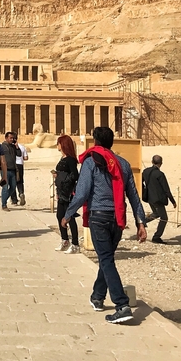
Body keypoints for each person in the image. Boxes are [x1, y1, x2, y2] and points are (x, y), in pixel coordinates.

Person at [62, 126, 147, 324]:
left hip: (99, 217)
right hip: (117, 220)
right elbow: (134, 196)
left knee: (106, 259)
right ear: (111, 142)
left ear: (96, 142)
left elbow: (82, 192)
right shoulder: (124, 164)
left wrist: (67, 215)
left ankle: (121, 305)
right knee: (106, 257)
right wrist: (140, 222)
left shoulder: (91, 162)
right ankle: (97, 297)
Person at [52, 134, 81, 253]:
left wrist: (63, 179)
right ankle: (64, 239)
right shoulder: (62, 158)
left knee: (70, 217)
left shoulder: (70, 159)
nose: (57, 145)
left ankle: (75, 244)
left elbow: (75, 175)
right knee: (59, 215)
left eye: (59, 143)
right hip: (61, 191)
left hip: (68, 192)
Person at [142, 155, 176, 244]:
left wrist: (143, 190)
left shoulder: (145, 171)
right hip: (157, 200)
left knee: (156, 213)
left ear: (152, 161)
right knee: (164, 218)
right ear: (161, 163)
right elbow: (166, 189)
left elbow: (139, 181)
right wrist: (173, 201)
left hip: (149, 198)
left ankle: (142, 221)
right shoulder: (160, 174)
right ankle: (156, 237)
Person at [0, 131, 21, 209]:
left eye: (13, 138)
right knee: (5, 187)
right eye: (10, 138)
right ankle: (4, 204)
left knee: (13, 187)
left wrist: (17, 146)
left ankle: (4, 199)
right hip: (4, 170)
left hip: (13, 169)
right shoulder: (2, 146)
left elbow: (19, 154)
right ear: (6, 138)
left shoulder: (13, 147)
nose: (12, 139)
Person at [16, 139, 28, 206]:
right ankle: (21, 193)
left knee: (12, 182)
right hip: (20, 165)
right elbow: (26, 158)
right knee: (20, 181)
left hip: (12, 165)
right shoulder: (22, 147)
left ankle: (14, 199)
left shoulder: (9, 147)